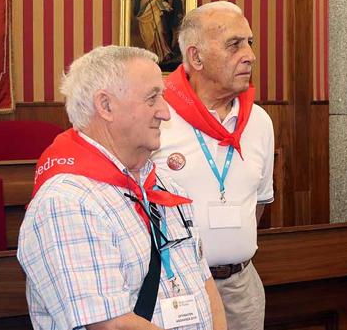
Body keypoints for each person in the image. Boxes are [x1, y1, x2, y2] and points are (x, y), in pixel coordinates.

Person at [17, 46, 226, 329]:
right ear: (105, 106)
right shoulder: (67, 203)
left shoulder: (165, 185)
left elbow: (205, 285)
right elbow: (112, 325)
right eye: (152, 98)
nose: (165, 112)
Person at [152, 1, 274, 330]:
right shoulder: (158, 118)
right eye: (234, 45)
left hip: (241, 287)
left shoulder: (259, 122)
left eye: (249, 43)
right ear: (196, 57)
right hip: (177, 288)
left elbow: (259, 204)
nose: (249, 55)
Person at [134, 0, 184, 66]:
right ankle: (155, 54)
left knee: (160, 30)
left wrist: (164, 2)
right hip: (150, 8)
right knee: (153, 32)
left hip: (160, 8)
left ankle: (165, 52)